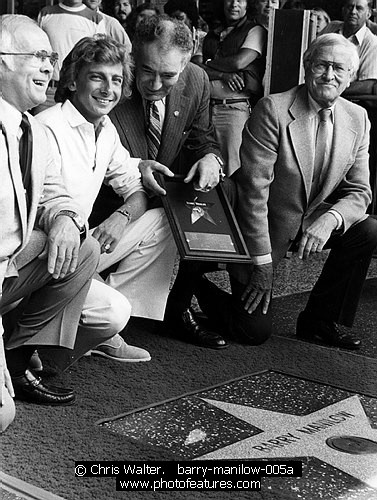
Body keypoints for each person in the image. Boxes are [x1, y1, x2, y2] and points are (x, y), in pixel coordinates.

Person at [193, 34, 377, 350]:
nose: (329, 75)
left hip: (309, 222)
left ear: (350, 76)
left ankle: (319, 321)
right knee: (252, 332)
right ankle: (194, 286)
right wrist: (262, 264)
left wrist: (330, 219)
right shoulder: (273, 110)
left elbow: (360, 192)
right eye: (322, 65)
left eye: (338, 68)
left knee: (369, 229)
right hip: (263, 228)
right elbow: (254, 192)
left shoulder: (357, 118)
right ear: (307, 67)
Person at [90, 16, 227, 349]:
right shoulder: (108, 80)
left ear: (186, 64)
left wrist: (211, 158)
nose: (153, 84)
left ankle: (168, 309)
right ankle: (98, 312)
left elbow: (201, 137)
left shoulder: (196, 80)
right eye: (147, 71)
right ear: (133, 56)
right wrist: (137, 175)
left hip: (159, 191)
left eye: (168, 75)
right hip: (105, 201)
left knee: (211, 195)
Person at [36, 35, 177, 343]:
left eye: (116, 80)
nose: (108, 89)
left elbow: (136, 189)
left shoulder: (106, 129)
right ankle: (94, 320)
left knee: (162, 222)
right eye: (97, 77)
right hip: (47, 251)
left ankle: (105, 320)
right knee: (112, 311)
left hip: (84, 247)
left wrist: (122, 217)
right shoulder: (47, 127)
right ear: (73, 81)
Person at [0, 15, 103, 406]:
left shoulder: (35, 132)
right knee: (2, 416)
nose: (50, 67)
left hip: (10, 266)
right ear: (3, 60)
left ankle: (17, 357)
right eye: (38, 56)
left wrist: (64, 219)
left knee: (83, 246)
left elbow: (55, 194)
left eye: (52, 56)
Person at [197, 0, 267, 176]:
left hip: (233, 110)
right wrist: (222, 74)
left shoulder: (255, 30)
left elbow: (239, 62)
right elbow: (196, 69)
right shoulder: (211, 35)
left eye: (240, 0)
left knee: (233, 168)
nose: (234, 4)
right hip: (205, 108)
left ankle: (230, 204)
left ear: (248, 5)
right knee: (205, 163)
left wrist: (209, 65)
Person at [37, 0, 106, 111]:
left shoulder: (96, 19)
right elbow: (37, 50)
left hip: (79, 93)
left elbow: (100, 60)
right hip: (48, 90)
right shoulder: (46, 13)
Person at [321, 0, 377, 96]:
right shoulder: (331, 28)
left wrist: (333, 89)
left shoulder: (372, 43)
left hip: (346, 98)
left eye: (359, 8)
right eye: (349, 7)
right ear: (343, 10)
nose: (353, 12)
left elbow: (368, 85)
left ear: (368, 14)